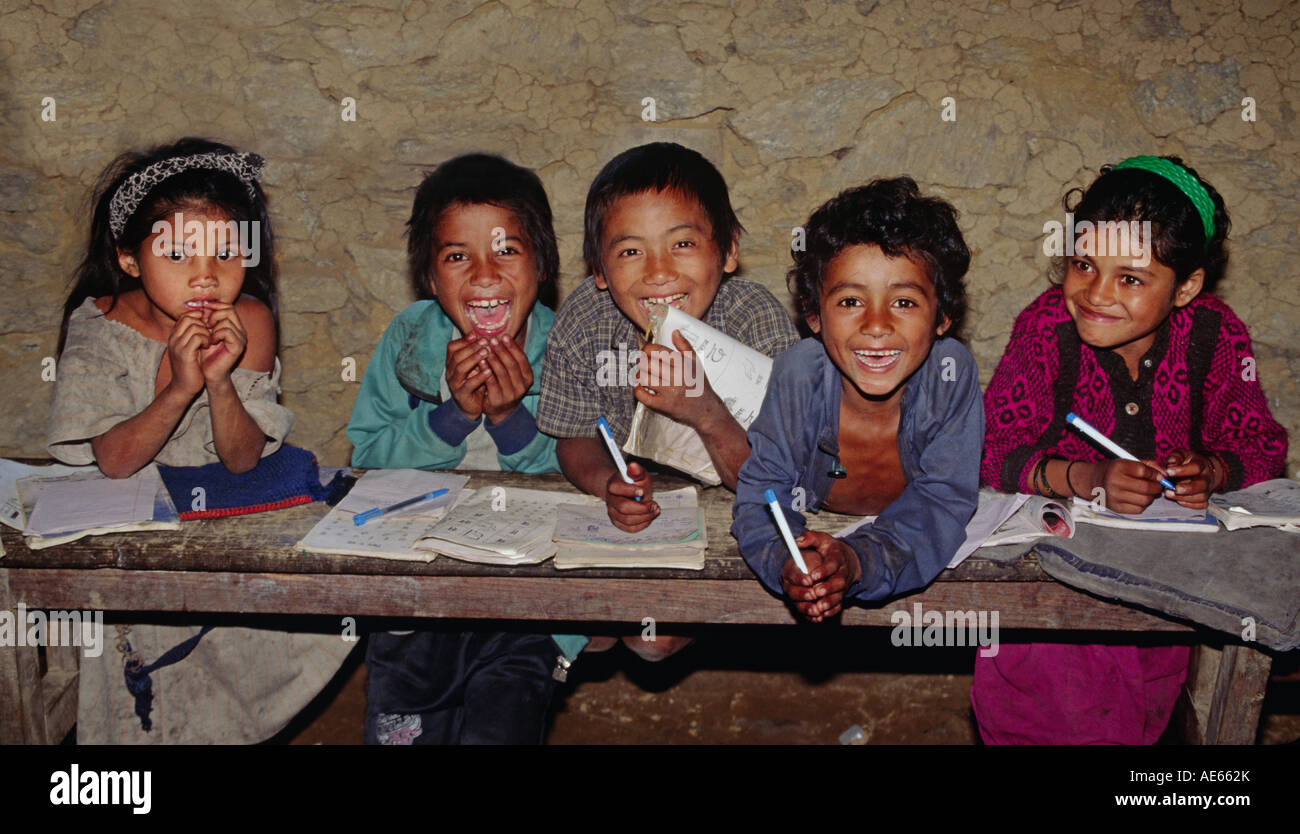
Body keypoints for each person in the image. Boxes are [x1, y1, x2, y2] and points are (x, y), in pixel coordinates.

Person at [973, 155, 1288, 744]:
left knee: (1138, 723)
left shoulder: (1217, 337)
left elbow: (1262, 445)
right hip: (1055, 597)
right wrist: (1085, 477)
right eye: (1084, 264)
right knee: (1044, 722)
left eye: (1132, 278)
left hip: (1162, 594)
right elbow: (990, 451)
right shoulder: (1047, 330)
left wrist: (1211, 471)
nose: (1096, 294)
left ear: (1187, 285)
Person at [48, 137, 353, 743]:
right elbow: (114, 460)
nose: (206, 277)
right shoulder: (101, 323)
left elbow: (242, 459)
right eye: (179, 253)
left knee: (236, 684)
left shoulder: (251, 322)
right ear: (131, 259)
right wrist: (176, 388)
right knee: (145, 691)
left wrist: (218, 384)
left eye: (225, 254)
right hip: (129, 533)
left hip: (221, 523)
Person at [346, 153, 585, 743]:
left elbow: (591, 472)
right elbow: (366, 454)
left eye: (507, 249)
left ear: (543, 266)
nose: (483, 275)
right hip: (414, 598)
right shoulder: (410, 339)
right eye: (457, 256)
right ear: (430, 277)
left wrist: (509, 422)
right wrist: (450, 420)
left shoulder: (571, 347)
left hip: (527, 600)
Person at [538, 142, 799, 659]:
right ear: (599, 271)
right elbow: (572, 439)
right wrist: (606, 484)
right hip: (636, 519)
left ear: (727, 250)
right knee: (588, 633)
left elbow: (780, 481)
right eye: (630, 251)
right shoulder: (586, 320)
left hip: (741, 512)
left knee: (651, 640)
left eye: (682, 244)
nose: (658, 272)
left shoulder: (754, 322)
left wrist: (704, 411)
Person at [732, 177, 983, 620]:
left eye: (904, 302)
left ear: (943, 315)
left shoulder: (950, 375)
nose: (877, 325)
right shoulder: (799, 375)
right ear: (813, 314)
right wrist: (785, 558)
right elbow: (761, 495)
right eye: (850, 301)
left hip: (898, 546)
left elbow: (942, 501)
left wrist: (856, 560)